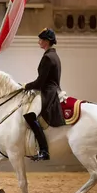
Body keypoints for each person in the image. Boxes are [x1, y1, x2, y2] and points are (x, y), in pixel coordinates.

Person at [22, 28, 66, 161]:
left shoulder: (48, 57)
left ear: (46, 41)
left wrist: (26, 86)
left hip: (48, 92)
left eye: (40, 40)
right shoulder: (54, 55)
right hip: (52, 89)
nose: (38, 42)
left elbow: (40, 82)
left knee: (30, 116)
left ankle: (44, 150)